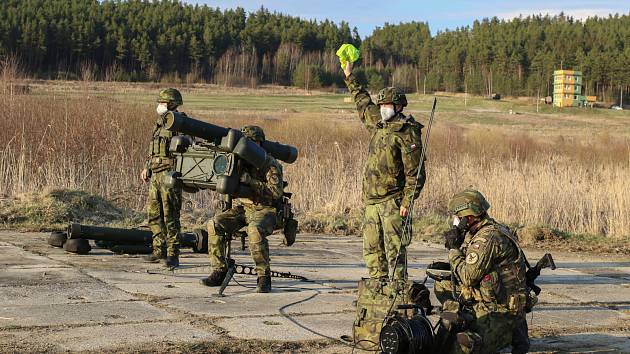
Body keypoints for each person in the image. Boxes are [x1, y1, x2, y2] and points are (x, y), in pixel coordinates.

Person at [342, 61, 425, 280]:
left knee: (394, 252)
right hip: (371, 202)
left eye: (387, 105)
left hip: (393, 202)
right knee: (372, 251)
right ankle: (377, 291)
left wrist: (407, 201)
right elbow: (362, 102)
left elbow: (415, 174)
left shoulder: (407, 132)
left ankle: (397, 293)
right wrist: (349, 76)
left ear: (398, 106)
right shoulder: (379, 124)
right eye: (381, 105)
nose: (382, 108)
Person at [435, 189, 530, 354]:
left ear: (468, 218)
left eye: (457, 216)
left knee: (457, 347)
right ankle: (462, 317)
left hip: (501, 309)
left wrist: (453, 249)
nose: (454, 220)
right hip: (503, 298)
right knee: (442, 284)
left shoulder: (486, 239)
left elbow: (468, 277)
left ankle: (504, 333)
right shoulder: (491, 228)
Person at [200, 126, 284, 293]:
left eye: (252, 142)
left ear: (259, 144)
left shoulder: (269, 164)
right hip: (245, 208)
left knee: (254, 230)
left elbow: (276, 193)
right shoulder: (239, 161)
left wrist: (251, 181)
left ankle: (263, 277)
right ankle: (219, 270)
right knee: (214, 224)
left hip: (266, 210)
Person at [140, 88, 185, 268]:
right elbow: (152, 150)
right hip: (155, 175)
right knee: (154, 214)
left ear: (171, 104)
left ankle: (173, 255)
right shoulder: (159, 124)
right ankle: (159, 250)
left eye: (162, 103)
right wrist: (146, 167)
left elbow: (186, 150)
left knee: (170, 216)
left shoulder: (181, 124)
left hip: (169, 175)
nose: (159, 106)